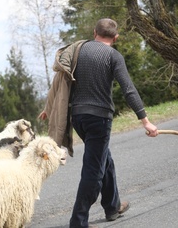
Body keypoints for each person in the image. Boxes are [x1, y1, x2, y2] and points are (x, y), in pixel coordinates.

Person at [39, 18, 158, 228]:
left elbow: (59, 80)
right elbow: (129, 89)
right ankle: (78, 221)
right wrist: (145, 122)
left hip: (77, 118)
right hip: (99, 119)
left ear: (95, 33)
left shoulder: (78, 49)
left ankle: (112, 206)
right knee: (93, 169)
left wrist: (49, 108)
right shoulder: (114, 56)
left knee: (104, 158)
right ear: (116, 37)